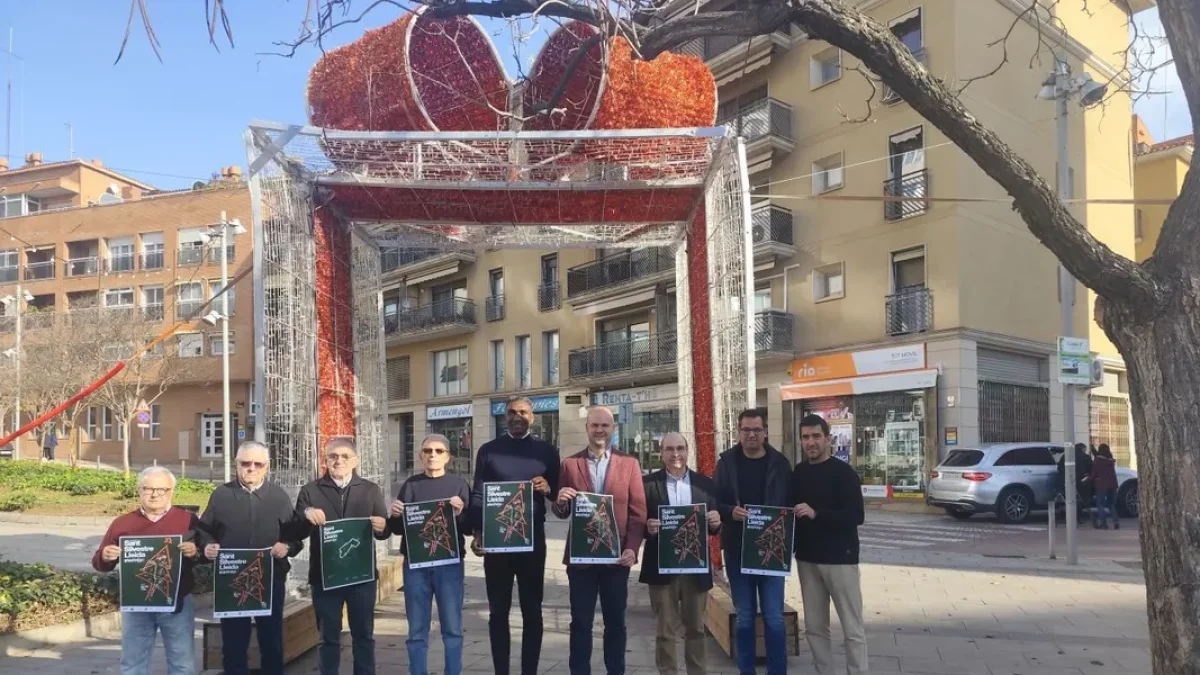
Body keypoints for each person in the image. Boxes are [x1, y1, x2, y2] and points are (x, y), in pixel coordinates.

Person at [467, 395, 561, 675]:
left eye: (523, 411)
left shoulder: (546, 451)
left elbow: (558, 493)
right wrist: (477, 531)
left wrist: (547, 488)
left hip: (532, 542)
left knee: (532, 611)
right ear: (504, 416)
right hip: (497, 544)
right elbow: (477, 494)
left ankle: (529, 670)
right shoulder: (488, 450)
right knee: (498, 612)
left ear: (532, 416)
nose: (517, 416)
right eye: (511, 412)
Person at [552, 406, 647, 675]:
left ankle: (615, 671)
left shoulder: (629, 464)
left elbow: (638, 513)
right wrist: (560, 500)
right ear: (587, 428)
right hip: (581, 560)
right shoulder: (570, 464)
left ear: (613, 428)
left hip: (616, 559)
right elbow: (561, 511)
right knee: (580, 622)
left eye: (605, 425)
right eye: (595, 425)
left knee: (615, 623)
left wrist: (632, 548)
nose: (600, 430)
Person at [287, 437, 390, 675]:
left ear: (355, 460)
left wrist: (382, 526)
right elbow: (296, 531)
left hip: (361, 578)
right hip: (325, 577)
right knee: (327, 638)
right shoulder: (310, 491)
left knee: (363, 635)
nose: (339, 460)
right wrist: (306, 513)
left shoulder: (370, 490)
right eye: (333, 456)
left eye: (345, 456)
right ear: (325, 460)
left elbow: (384, 533)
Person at [201, 441, 304, 675]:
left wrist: (287, 546)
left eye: (258, 464)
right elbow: (204, 530)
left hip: (270, 580)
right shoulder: (221, 495)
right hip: (231, 582)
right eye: (245, 463)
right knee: (234, 644)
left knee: (272, 641)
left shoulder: (279, 497)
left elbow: (296, 538)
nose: (251, 468)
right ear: (236, 465)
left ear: (267, 466)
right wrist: (207, 546)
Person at [92, 467, 204, 675]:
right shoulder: (122, 523)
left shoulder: (188, 521)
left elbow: (206, 556)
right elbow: (99, 563)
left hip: (177, 603)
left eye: (161, 489)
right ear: (139, 490)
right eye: (148, 489)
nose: (154, 494)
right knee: (133, 663)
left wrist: (194, 552)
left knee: (182, 663)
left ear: (171, 491)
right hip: (137, 605)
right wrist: (105, 556)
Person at [714, 408, 793, 675]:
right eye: (746, 430)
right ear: (738, 432)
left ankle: (777, 671)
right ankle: (746, 670)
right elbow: (716, 501)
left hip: (772, 550)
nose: (751, 435)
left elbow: (789, 504)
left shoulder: (780, 463)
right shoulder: (726, 462)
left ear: (765, 432)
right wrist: (729, 512)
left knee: (773, 617)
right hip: (737, 549)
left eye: (756, 430)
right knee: (745, 616)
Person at [388, 434, 471, 675]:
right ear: (420, 455)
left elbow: (468, 528)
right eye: (427, 451)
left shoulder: (459, 485)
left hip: (450, 566)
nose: (432, 455)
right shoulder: (411, 485)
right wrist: (394, 514)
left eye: (438, 451)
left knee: (453, 629)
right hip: (416, 567)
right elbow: (396, 529)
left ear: (448, 457)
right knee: (416, 630)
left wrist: (460, 512)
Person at [640, 432, 721, 675]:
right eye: (669, 449)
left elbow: (714, 526)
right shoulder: (647, 484)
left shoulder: (705, 484)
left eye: (680, 448)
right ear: (661, 452)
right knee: (665, 631)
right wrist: (647, 527)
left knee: (696, 629)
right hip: (661, 568)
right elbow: (637, 522)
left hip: (694, 568)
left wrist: (716, 522)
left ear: (688, 451)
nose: (675, 454)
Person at [792, 414, 867, 675]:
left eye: (815, 436)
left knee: (852, 627)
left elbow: (856, 516)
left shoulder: (844, 473)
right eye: (805, 437)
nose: (810, 442)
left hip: (840, 560)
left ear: (827, 438)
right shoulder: (798, 473)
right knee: (814, 627)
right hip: (807, 560)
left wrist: (817, 514)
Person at [1089, 444, 1120, 530]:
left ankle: (1103, 524)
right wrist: (1093, 449)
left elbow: (1094, 474)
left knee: (1100, 504)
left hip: (1101, 485)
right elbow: (1098, 456)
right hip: (1113, 485)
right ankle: (1116, 522)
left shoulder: (1098, 461)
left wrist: (1088, 479)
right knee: (1111, 504)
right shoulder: (1110, 460)